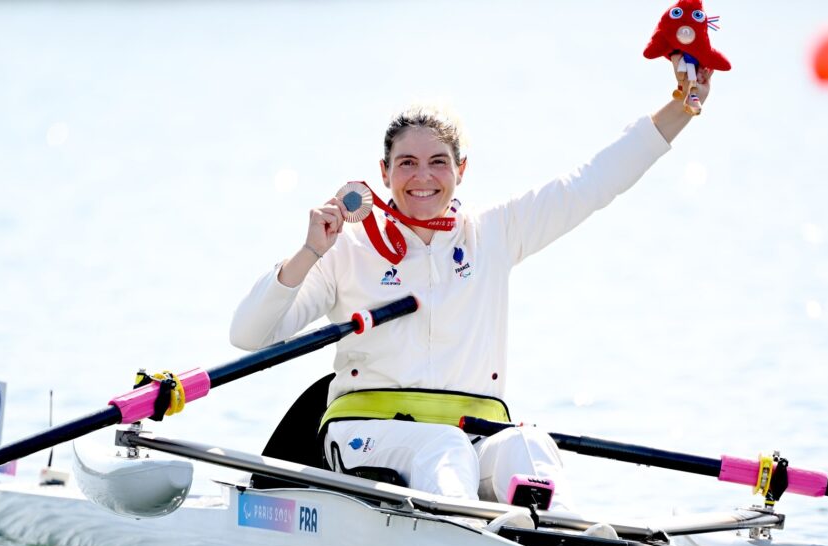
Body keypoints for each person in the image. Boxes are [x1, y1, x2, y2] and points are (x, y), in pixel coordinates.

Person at [231, 61, 713, 518]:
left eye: (438, 162)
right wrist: (309, 251)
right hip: (364, 437)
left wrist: (684, 105)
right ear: (383, 173)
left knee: (528, 444)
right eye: (407, 163)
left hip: (475, 433)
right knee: (443, 450)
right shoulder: (347, 248)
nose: (422, 177)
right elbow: (249, 336)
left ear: (462, 170)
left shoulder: (494, 233)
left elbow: (592, 182)